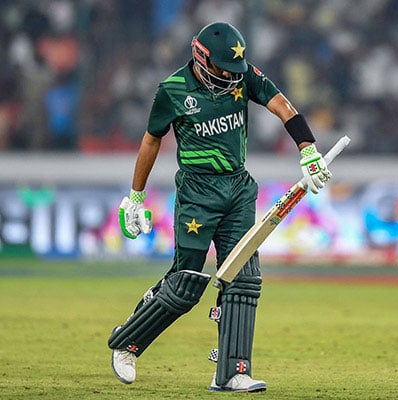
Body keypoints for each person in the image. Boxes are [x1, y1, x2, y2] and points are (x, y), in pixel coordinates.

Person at [107, 22, 332, 393]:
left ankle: (231, 372)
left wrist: (307, 147)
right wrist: (135, 196)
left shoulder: (242, 75)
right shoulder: (173, 90)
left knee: (244, 279)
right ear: (202, 59)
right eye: (224, 70)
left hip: (238, 187)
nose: (231, 78)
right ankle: (126, 342)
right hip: (197, 191)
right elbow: (150, 143)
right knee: (185, 285)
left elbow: (283, 106)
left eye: (235, 71)